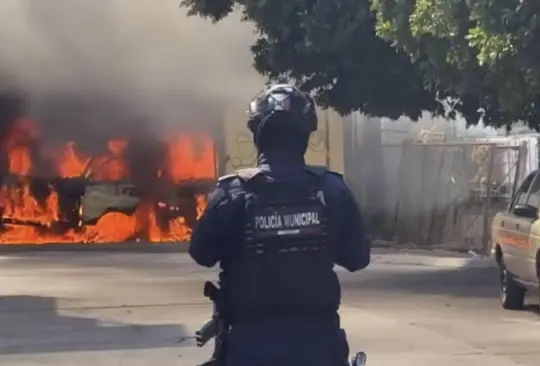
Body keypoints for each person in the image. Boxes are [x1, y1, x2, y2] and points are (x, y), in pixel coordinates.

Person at [189, 84, 371, 366]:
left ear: (256, 135)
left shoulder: (231, 195)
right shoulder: (333, 191)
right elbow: (357, 259)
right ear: (306, 135)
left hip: (247, 350)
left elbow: (201, 254)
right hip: (319, 348)